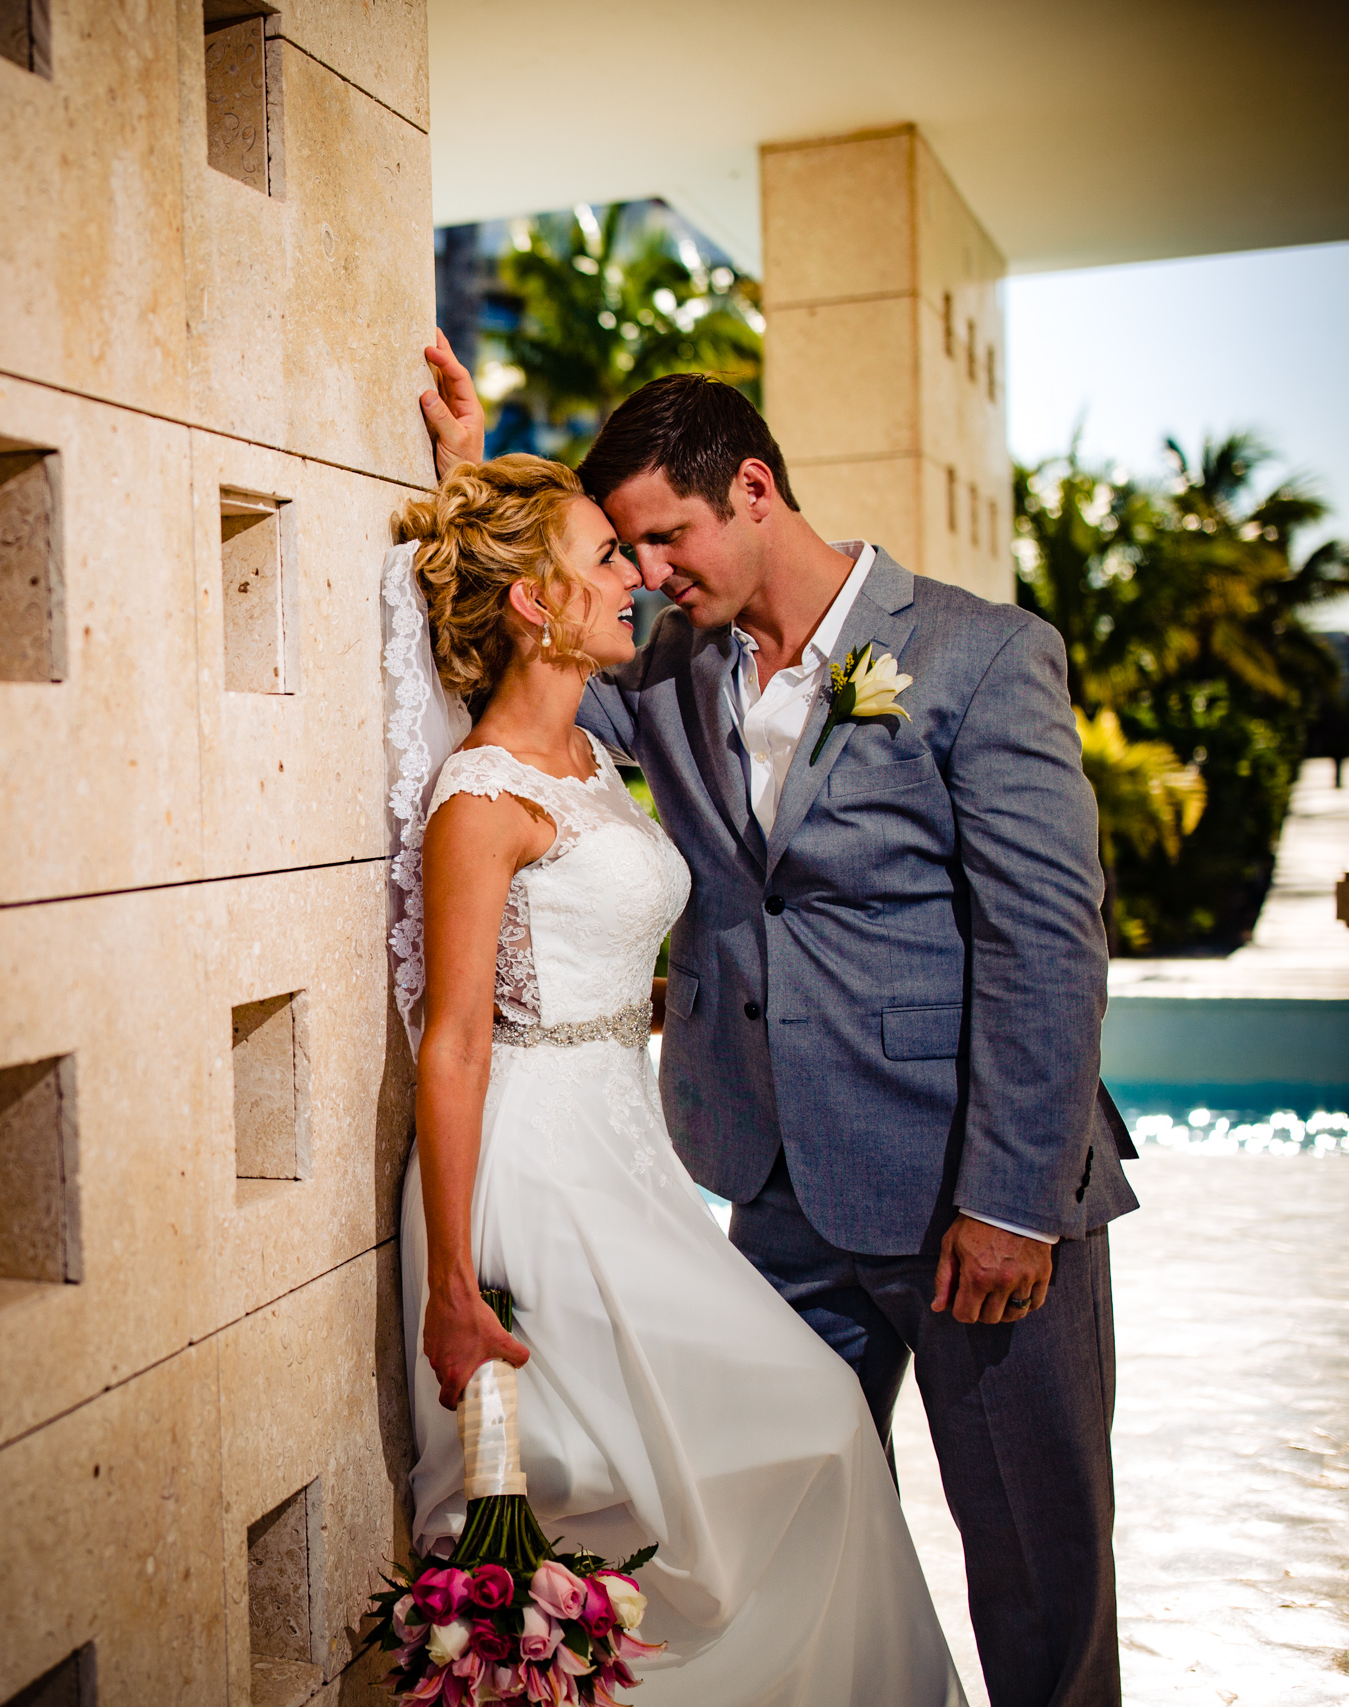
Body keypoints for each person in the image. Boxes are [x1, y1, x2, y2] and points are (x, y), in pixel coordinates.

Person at [417, 342, 1136, 1707]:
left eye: (666, 535)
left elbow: (1050, 943)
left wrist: (1015, 1199)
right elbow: (529, 650)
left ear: (754, 486)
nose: (649, 569)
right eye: (625, 546)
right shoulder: (672, 668)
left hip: (976, 1210)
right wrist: (468, 471)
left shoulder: (980, 656)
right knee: (770, 1541)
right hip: (776, 1202)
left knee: (1040, 1574)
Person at [383, 454, 962, 1701]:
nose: (632, 578)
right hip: (537, 1180)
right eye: (602, 559)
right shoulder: (477, 802)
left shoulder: (592, 759)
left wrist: (469, 462)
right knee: (736, 1454)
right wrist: (448, 1281)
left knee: (791, 1447)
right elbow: (458, 1040)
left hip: (626, 1154)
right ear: (534, 602)